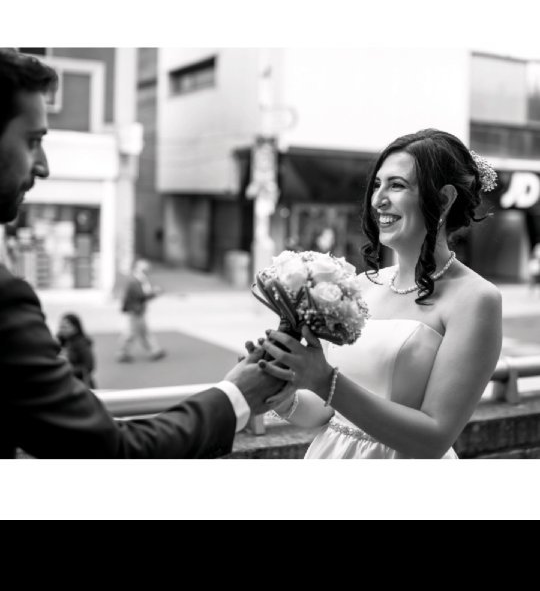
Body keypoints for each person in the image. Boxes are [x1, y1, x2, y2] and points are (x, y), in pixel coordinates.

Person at [0, 48, 281, 458]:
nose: (43, 166)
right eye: (32, 141)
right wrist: (236, 395)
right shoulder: (6, 297)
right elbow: (108, 452)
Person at [256, 129, 503, 459]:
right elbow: (325, 412)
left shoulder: (476, 299)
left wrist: (326, 380)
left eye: (396, 185)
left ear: (444, 199)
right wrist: (281, 390)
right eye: (377, 185)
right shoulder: (361, 285)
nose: (378, 200)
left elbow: (434, 438)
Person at [117, 259, 165, 362]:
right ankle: (123, 353)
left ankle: (154, 351)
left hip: (138, 309)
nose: (147, 271)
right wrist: (154, 293)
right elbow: (140, 295)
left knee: (143, 332)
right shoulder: (134, 281)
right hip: (135, 310)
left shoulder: (140, 280)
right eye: (145, 269)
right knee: (131, 333)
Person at [57, 313, 97, 388]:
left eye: (65, 327)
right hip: (65, 384)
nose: (62, 330)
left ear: (75, 328)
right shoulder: (61, 343)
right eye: (61, 327)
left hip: (80, 385)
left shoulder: (81, 343)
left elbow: (88, 366)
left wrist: (65, 370)